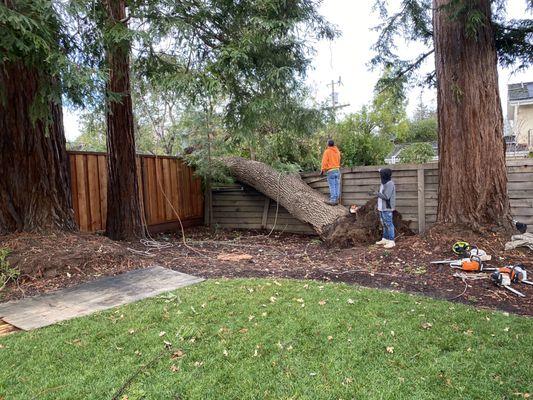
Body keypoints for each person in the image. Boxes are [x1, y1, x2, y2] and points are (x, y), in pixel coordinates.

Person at [374, 168, 396, 249]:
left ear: (384, 175)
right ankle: (385, 239)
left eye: (381, 174)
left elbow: (386, 196)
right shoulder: (383, 183)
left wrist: (377, 193)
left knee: (389, 224)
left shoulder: (390, 184)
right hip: (381, 208)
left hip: (387, 208)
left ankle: (391, 241)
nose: (380, 176)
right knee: (384, 224)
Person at [321, 139, 341, 205]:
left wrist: (323, 170)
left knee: (332, 185)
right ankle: (336, 199)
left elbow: (324, 162)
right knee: (337, 185)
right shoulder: (337, 151)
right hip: (337, 170)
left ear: (328, 144)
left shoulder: (327, 151)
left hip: (331, 171)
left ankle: (333, 200)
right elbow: (339, 159)